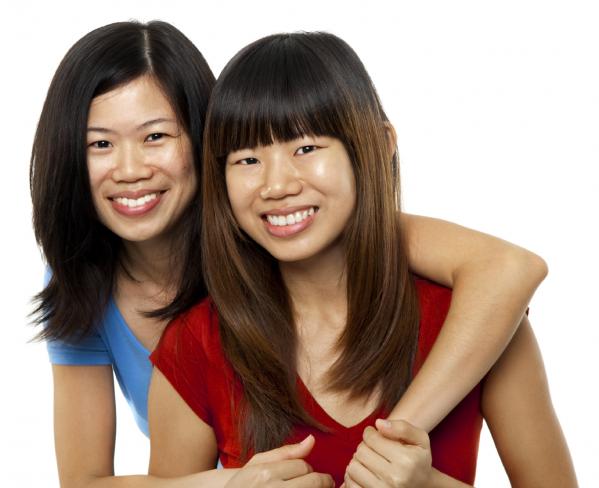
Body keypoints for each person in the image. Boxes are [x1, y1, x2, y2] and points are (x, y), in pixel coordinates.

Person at [31, 21, 547, 487]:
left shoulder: (474, 319)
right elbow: (85, 482)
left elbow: (507, 269)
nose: (277, 184)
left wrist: (409, 460)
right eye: (249, 157)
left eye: (305, 148)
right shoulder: (189, 339)